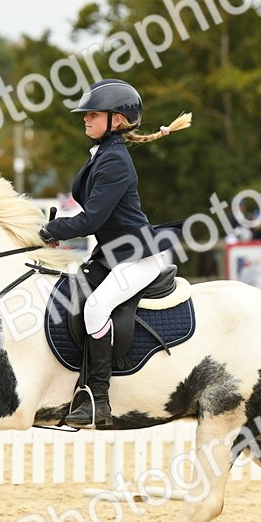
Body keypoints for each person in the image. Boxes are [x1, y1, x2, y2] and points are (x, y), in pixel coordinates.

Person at [39, 79, 191, 428]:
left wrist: (52, 230)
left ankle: (98, 399)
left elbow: (93, 218)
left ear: (117, 120)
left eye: (93, 114)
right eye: (87, 114)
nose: (85, 118)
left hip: (138, 257)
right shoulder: (103, 154)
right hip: (112, 255)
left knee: (96, 307)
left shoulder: (115, 160)